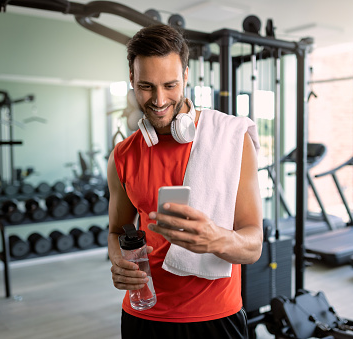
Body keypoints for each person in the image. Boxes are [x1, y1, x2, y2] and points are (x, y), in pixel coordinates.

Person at [107, 24, 263, 339]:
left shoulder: (231, 139)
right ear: (132, 79)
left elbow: (253, 246)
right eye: (147, 86)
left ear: (187, 77)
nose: (159, 99)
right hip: (144, 316)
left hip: (217, 317)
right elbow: (117, 231)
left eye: (170, 85)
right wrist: (118, 260)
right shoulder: (122, 156)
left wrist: (216, 239)